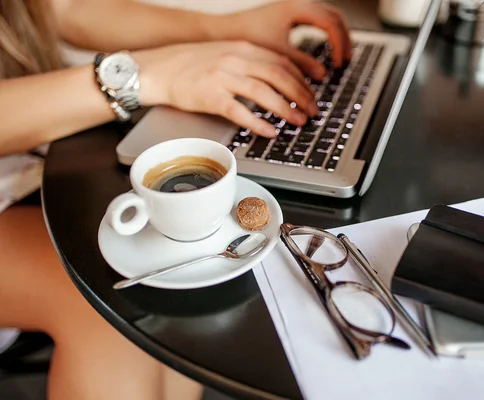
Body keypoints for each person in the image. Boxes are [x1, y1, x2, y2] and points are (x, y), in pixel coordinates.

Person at [0, 0, 351, 399]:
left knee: (167, 306)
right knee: (106, 311)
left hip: (24, 162)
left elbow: (60, 9)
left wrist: (228, 27)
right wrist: (141, 76)